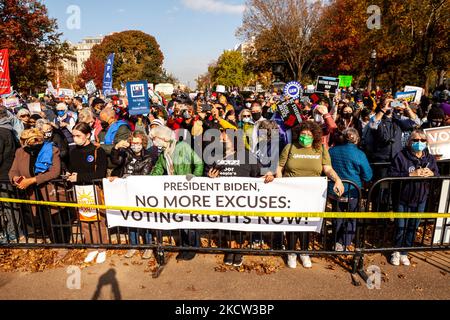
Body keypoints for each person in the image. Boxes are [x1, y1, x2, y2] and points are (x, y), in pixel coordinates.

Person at [272, 121, 344, 268]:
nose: (305, 137)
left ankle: (304, 252)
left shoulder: (321, 149)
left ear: (315, 136)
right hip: (290, 191)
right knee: (292, 223)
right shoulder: (290, 147)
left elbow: (327, 169)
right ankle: (291, 252)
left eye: (309, 135)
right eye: (303, 134)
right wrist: (280, 184)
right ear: (298, 134)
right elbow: (279, 168)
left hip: (311, 194)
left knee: (306, 223)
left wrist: (337, 180)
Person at [150, 126, 204, 261]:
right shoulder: (163, 154)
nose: (153, 142)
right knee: (180, 219)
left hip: (187, 189)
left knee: (189, 220)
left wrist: (193, 179)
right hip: (174, 192)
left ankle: (193, 246)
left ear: (162, 138)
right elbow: (158, 169)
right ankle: (185, 246)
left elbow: (198, 163)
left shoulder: (183, 147)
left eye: (154, 139)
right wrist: (147, 180)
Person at [388, 129, 439, 266]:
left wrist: (432, 173)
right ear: (410, 142)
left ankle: (405, 252)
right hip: (402, 198)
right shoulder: (400, 156)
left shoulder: (429, 158)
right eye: (415, 140)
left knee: (412, 226)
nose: (419, 143)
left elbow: (437, 174)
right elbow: (391, 174)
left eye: (422, 140)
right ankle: (396, 251)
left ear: (426, 142)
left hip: (420, 199)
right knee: (400, 226)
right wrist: (410, 174)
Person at [8, 129, 68, 244]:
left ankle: (63, 245)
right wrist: (16, 179)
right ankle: (54, 244)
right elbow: (13, 171)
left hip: (50, 192)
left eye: (36, 141)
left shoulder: (52, 150)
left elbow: (55, 172)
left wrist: (31, 180)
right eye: (29, 142)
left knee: (57, 221)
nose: (33, 144)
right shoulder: (20, 152)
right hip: (33, 194)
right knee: (44, 221)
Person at [109, 131, 159, 259]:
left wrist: (127, 179)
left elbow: (144, 175)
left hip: (140, 192)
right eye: (133, 142)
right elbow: (116, 161)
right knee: (130, 219)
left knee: (144, 219)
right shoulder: (126, 153)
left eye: (138, 143)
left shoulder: (147, 157)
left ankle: (148, 246)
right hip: (126, 191)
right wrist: (115, 148)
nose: (135, 145)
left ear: (143, 143)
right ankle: (133, 245)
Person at [66, 122, 109, 264]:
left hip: (94, 188)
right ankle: (92, 247)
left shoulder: (98, 151)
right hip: (79, 189)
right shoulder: (73, 152)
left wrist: (79, 177)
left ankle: (102, 247)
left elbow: (100, 173)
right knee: (84, 220)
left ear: (88, 135)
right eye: (73, 136)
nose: (75, 139)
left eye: (78, 136)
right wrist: (69, 174)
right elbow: (72, 169)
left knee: (98, 219)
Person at [329, 128, 373, 251]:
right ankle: (343, 243)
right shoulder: (359, 154)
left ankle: (335, 241)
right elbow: (368, 175)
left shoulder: (332, 151)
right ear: (357, 139)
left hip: (335, 190)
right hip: (352, 191)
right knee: (352, 218)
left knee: (337, 217)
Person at [0, 105, 19, 243]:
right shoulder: (10, 130)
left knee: (9, 206)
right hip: (7, 173)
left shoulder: (2, 132)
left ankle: (12, 234)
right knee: (8, 206)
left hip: (3, 175)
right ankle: (11, 232)